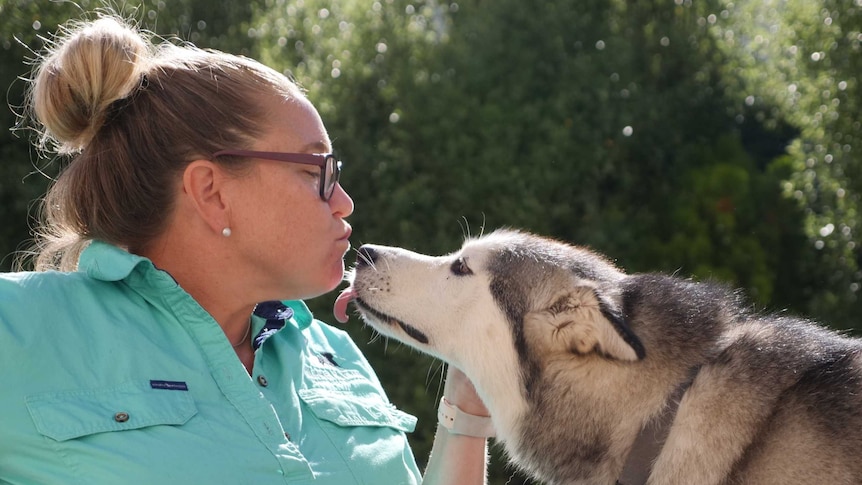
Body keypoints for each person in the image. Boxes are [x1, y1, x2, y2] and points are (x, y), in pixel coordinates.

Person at [0, 13, 491, 485]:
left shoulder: (334, 353)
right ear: (211, 193)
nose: (344, 202)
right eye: (315, 172)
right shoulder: (19, 328)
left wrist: (468, 400)